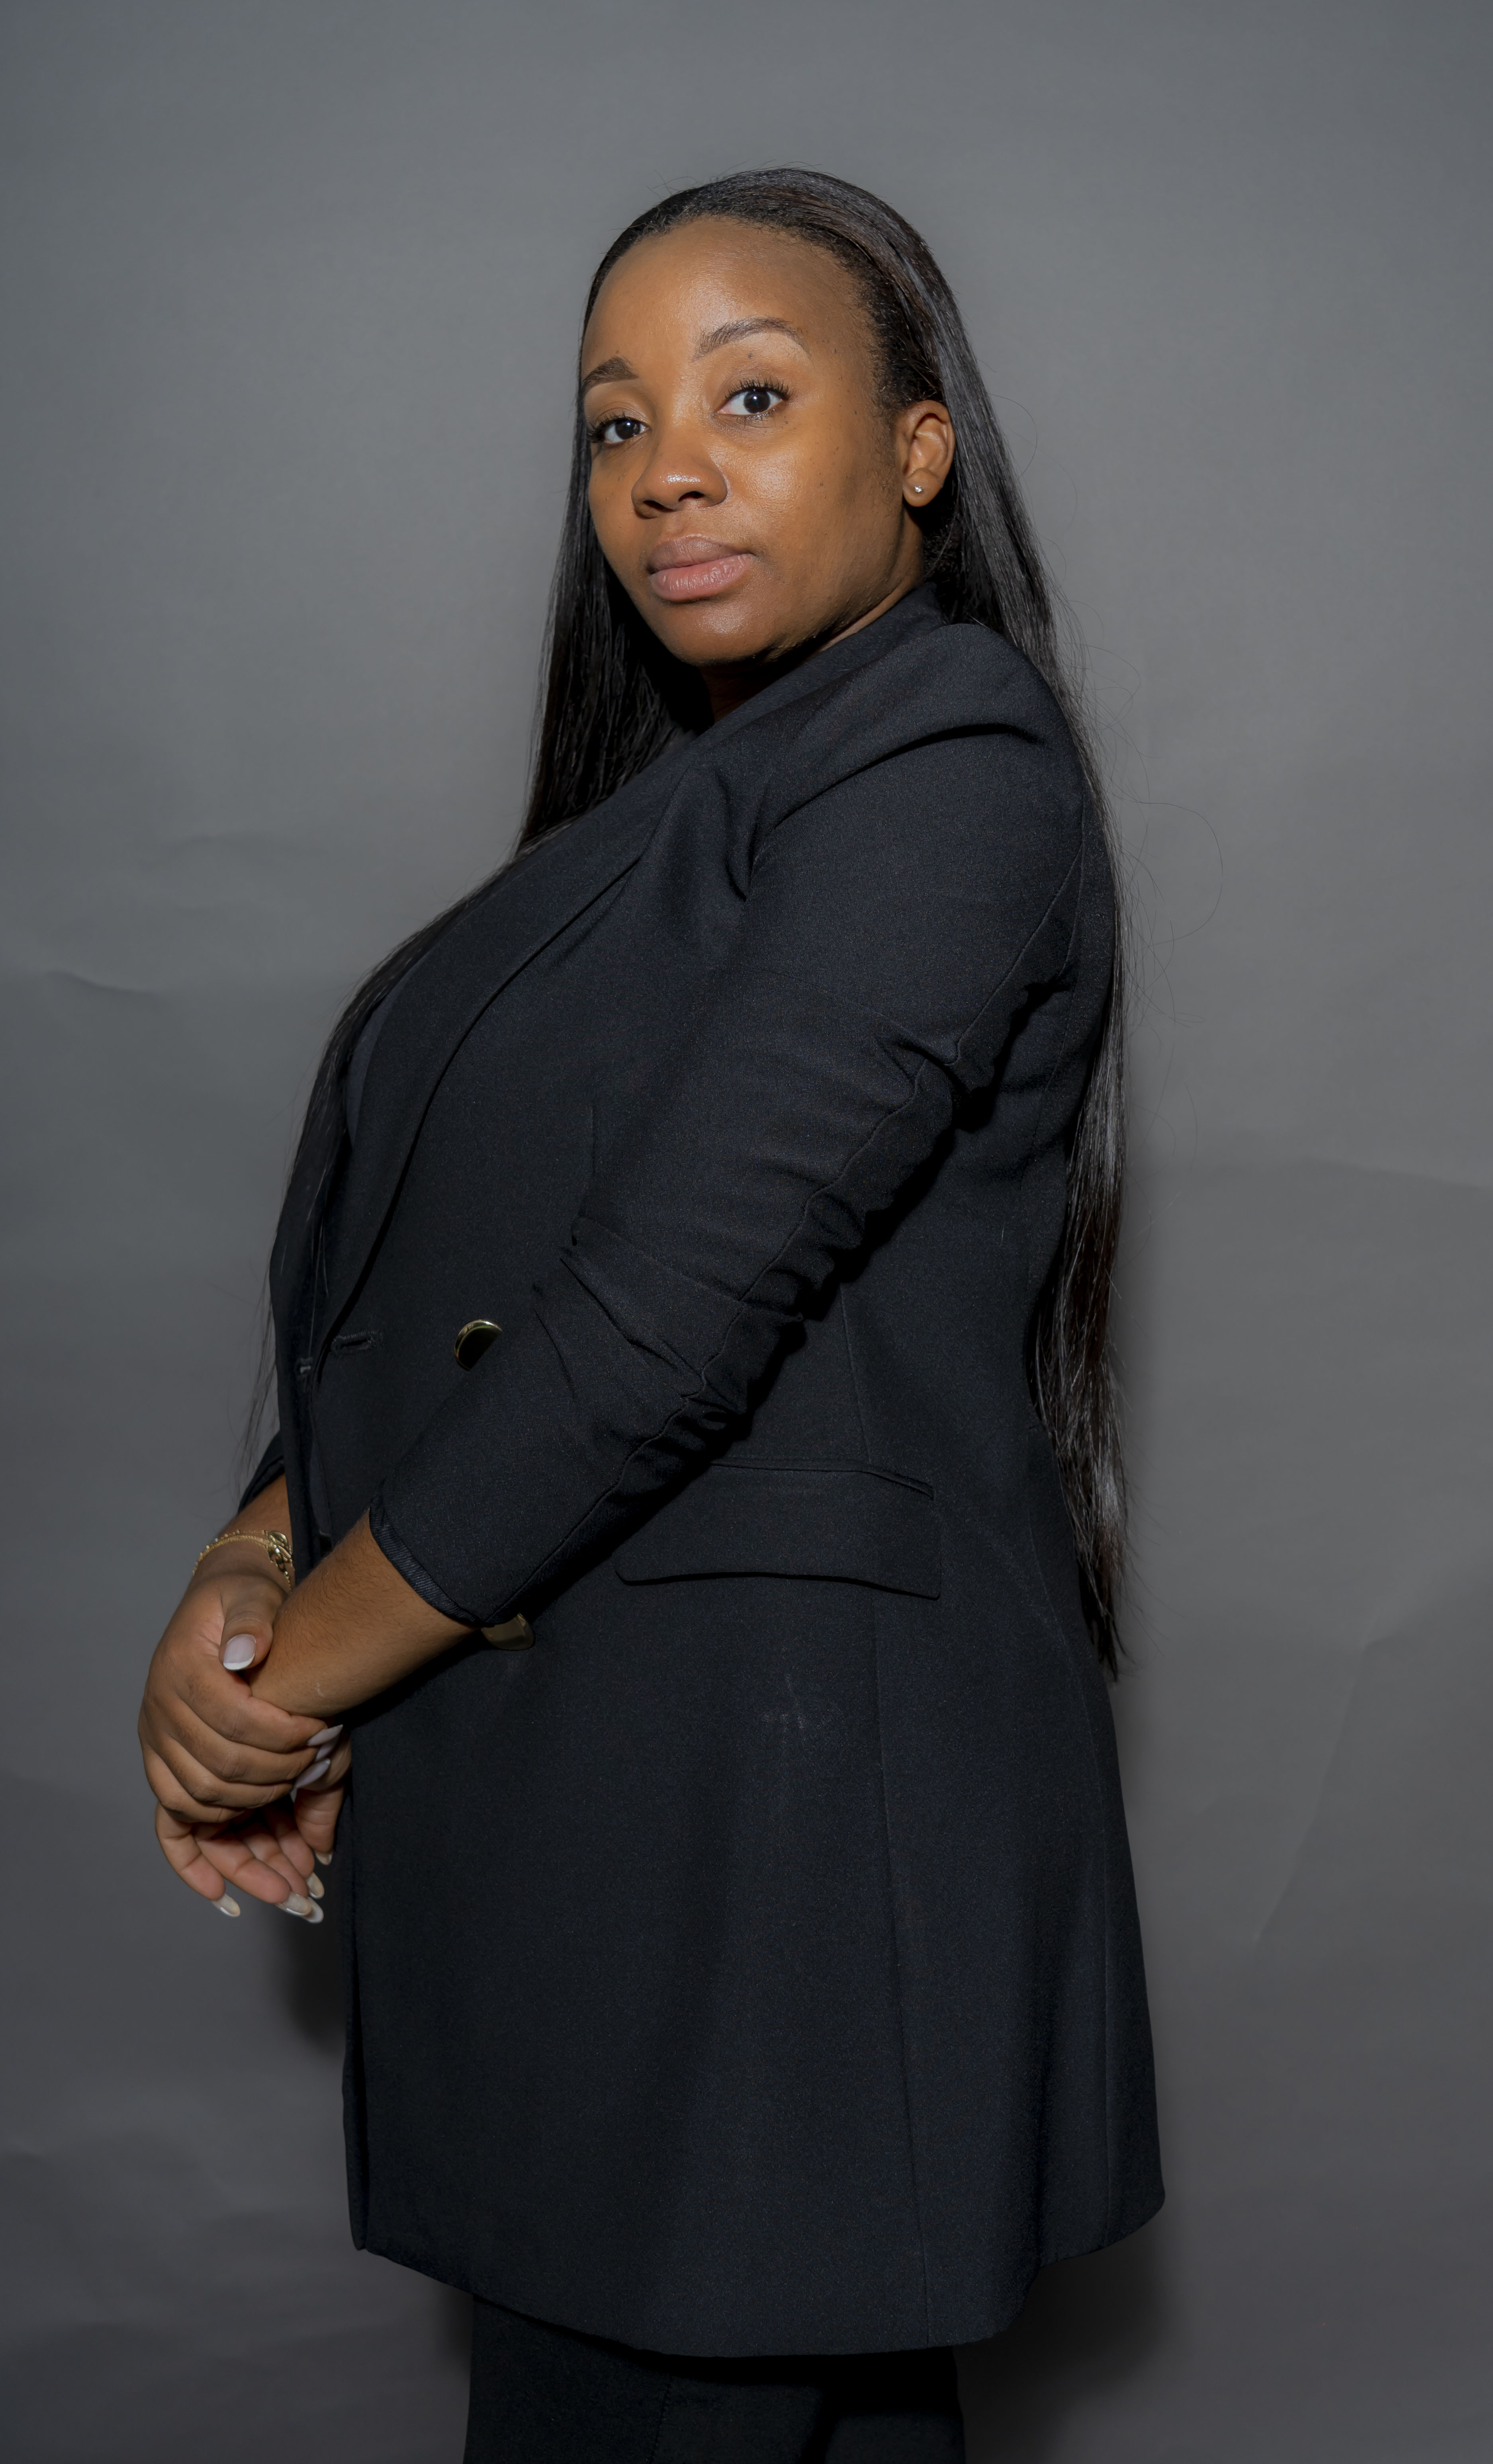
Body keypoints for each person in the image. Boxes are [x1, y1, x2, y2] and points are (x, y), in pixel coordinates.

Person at [138, 168, 1162, 2462]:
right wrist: (252, 1549)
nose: (667, 468)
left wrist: (277, 1697)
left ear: (919, 448)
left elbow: (652, 1329)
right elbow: (444, 1290)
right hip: (640, 1833)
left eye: (750, 396)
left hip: (766, 1858)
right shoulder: (678, 818)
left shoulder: (946, 758)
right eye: (617, 424)